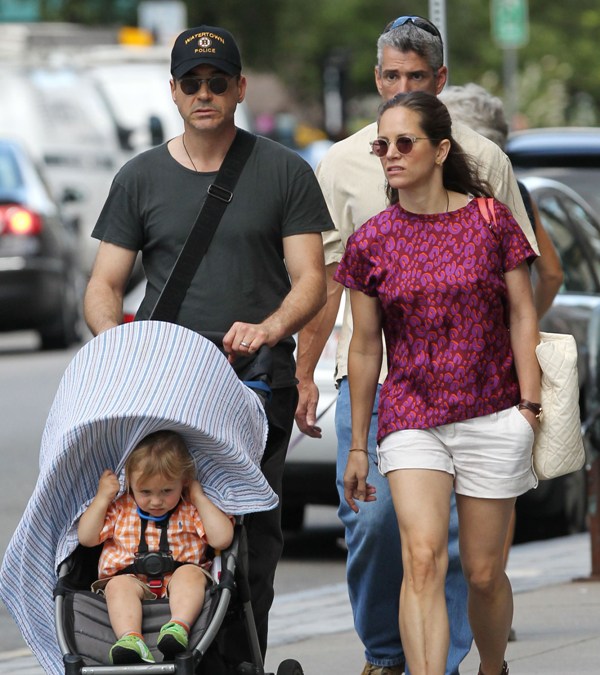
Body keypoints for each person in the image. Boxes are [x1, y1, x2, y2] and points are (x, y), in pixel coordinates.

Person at [294, 16, 539, 675]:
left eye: (416, 77)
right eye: (391, 75)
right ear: (377, 79)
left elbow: (523, 296)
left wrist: (529, 401)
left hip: (487, 400)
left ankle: (478, 662)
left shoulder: (486, 182)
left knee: (479, 566)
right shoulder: (347, 176)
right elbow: (334, 296)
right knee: (405, 546)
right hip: (397, 397)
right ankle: (391, 657)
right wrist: (310, 377)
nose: (392, 154)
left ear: (440, 83)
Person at [83, 24, 333, 666]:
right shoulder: (139, 177)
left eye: (217, 82)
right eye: (191, 82)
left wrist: (271, 328)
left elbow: (312, 279)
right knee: (150, 524)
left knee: (249, 543)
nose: (204, 93)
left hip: (255, 384)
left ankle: (243, 660)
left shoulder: (284, 170)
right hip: (164, 387)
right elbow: (103, 286)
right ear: (172, 91)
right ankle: (154, 649)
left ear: (240, 88)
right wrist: (116, 345)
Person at [439, 82, 564, 643]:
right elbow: (552, 272)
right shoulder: (511, 192)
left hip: (435, 369)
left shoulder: (429, 195)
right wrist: (522, 326)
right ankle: (491, 602)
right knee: (495, 489)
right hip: (499, 370)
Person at [77, 430, 235, 665]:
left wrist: (199, 498)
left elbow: (222, 539)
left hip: (178, 581)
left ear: (183, 481)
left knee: (191, 574)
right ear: (130, 484)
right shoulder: (121, 508)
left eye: (167, 491)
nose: (156, 501)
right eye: (145, 492)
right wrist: (102, 498)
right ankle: (131, 639)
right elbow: (87, 538)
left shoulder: (189, 508)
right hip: (131, 581)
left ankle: (178, 628)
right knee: (117, 585)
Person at [440, 83, 563, 320]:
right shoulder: (518, 193)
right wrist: (523, 324)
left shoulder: (438, 199)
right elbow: (552, 275)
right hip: (503, 337)